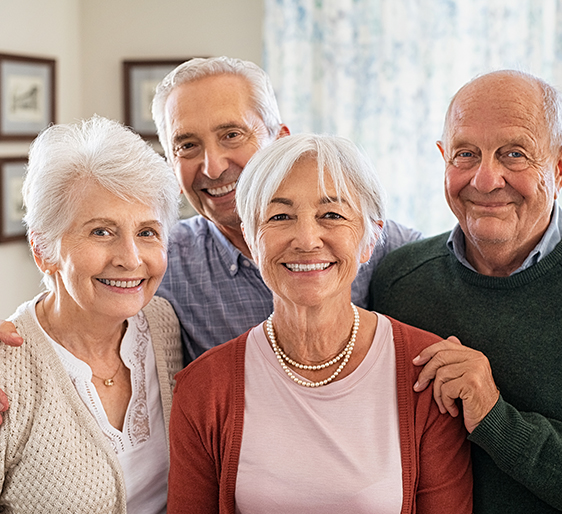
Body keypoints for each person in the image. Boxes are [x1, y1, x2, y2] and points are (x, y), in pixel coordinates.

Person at [0, 56, 421, 420]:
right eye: (187, 146)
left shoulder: (378, 246)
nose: (213, 166)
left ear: (280, 139)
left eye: (232, 135)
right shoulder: (156, 261)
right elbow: (63, 306)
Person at [168, 134, 472, 513]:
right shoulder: (202, 390)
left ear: (370, 237)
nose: (307, 239)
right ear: (250, 236)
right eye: (280, 216)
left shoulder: (427, 375)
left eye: (332, 215)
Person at [370, 70, 562, 513]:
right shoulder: (399, 280)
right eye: (466, 154)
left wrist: (495, 417)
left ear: (557, 165)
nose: (485, 179)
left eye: (514, 154)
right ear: (443, 158)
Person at [0, 116, 183, 513]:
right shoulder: (7, 371)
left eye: (147, 232)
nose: (130, 259)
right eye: (101, 231)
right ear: (44, 250)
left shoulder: (164, 323)